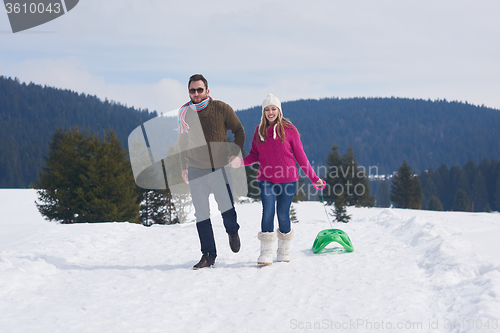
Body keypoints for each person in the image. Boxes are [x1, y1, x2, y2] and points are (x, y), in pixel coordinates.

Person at [242, 93, 325, 265]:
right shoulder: (259, 131)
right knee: (268, 212)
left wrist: (314, 178)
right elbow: (254, 154)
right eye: (267, 109)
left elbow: (301, 157)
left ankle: (284, 250)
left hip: (288, 180)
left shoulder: (289, 131)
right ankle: (265, 252)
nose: (270, 112)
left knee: (283, 214)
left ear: (279, 110)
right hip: (266, 179)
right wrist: (240, 162)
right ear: (263, 112)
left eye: (273, 109)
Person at [177, 74, 245, 269]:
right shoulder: (185, 113)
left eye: (200, 89)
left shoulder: (221, 108)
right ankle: (208, 255)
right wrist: (184, 166)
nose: (196, 93)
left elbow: (239, 130)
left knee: (227, 208)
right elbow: (182, 142)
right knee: (202, 214)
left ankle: (232, 231)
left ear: (207, 91)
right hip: (196, 168)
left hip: (220, 168)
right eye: (192, 90)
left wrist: (236, 153)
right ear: (189, 92)